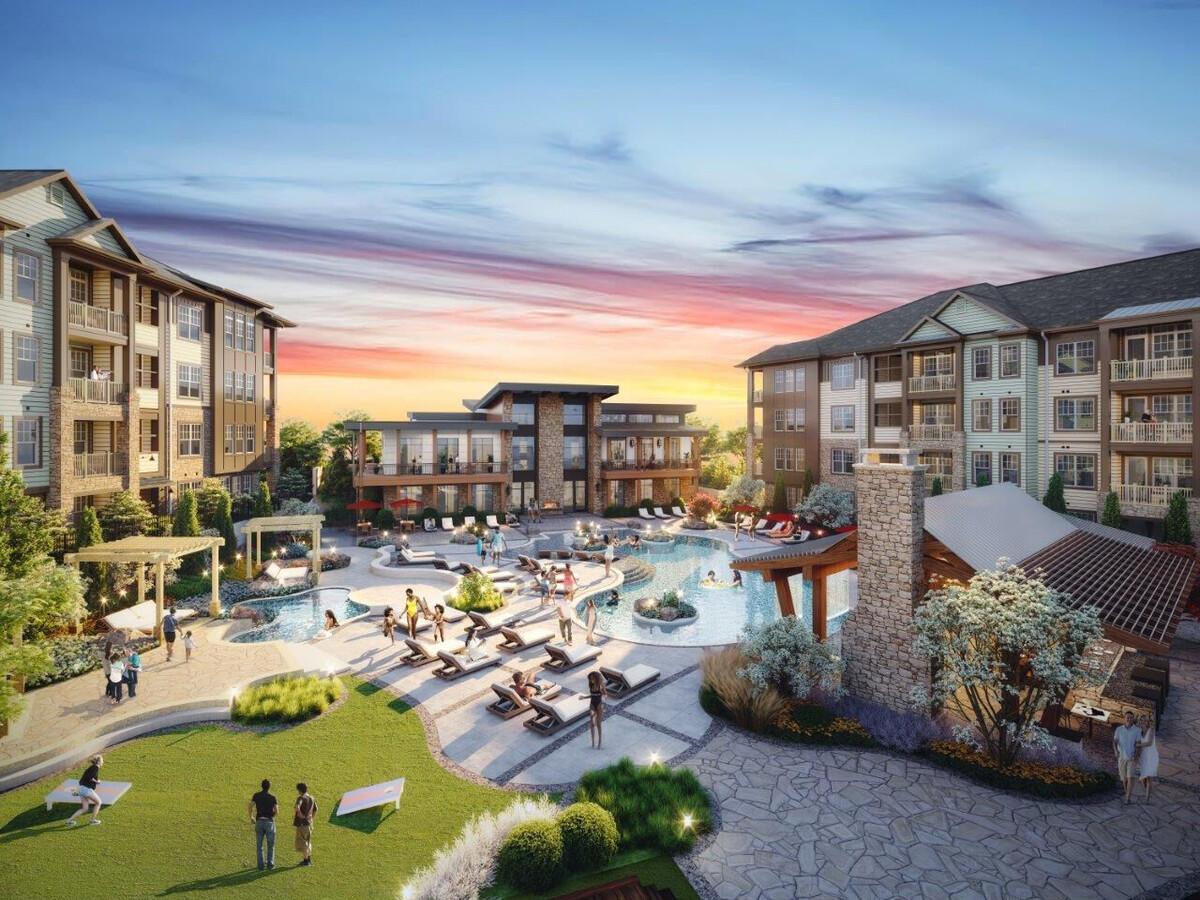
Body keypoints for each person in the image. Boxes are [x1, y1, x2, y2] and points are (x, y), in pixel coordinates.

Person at [65, 755, 105, 826]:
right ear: (98, 761)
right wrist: (97, 782)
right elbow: (90, 777)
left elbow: (85, 779)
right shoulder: (95, 767)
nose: (102, 762)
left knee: (85, 808)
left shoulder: (91, 768)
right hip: (86, 789)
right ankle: (92, 820)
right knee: (99, 802)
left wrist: (94, 781)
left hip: (81, 788)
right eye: (102, 760)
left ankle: (69, 821)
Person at [1113, 710, 1142, 804]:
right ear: (1124, 718)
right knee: (1123, 779)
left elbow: (1138, 744)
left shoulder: (1137, 730)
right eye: (1127, 717)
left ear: (1133, 719)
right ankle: (1127, 793)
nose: (1129, 719)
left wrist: (1136, 755)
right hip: (1121, 757)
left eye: (1131, 717)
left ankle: (1127, 798)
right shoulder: (1119, 729)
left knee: (1130, 777)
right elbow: (1115, 742)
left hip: (1131, 758)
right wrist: (1115, 751)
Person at [249, 779, 278, 870]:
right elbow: (277, 811)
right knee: (271, 845)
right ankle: (270, 864)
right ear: (269, 787)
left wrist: (251, 817)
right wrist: (272, 816)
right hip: (269, 822)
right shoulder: (273, 797)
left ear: (261, 786)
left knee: (259, 845)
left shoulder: (256, 795)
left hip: (259, 822)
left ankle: (261, 866)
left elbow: (250, 806)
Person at [293, 782, 317, 867]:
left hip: (302, 824)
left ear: (299, 790)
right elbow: (315, 810)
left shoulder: (301, 798)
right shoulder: (312, 798)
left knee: (303, 843)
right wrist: (311, 819)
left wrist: (300, 814)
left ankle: (306, 861)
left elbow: (297, 807)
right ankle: (308, 859)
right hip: (309, 823)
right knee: (308, 841)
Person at [1137, 713, 1159, 802]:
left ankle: (1147, 799)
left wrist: (1138, 745)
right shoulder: (1139, 731)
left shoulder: (1151, 730)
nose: (1143, 722)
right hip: (1143, 757)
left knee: (1148, 777)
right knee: (1143, 778)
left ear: (1148, 722)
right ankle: (1148, 790)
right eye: (1141, 720)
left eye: (1145, 720)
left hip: (1151, 756)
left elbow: (1149, 743)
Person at [587, 670, 606, 749]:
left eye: (593, 679)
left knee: (598, 724)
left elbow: (605, 695)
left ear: (597, 679)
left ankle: (600, 742)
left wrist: (603, 703)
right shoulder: (591, 685)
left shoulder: (600, 686)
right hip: (592, 704)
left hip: (599, 705)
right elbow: (592, 695)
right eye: (590, 679)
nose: (591, 680)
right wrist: (584, 697)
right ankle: (593, 742)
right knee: (592, 724)